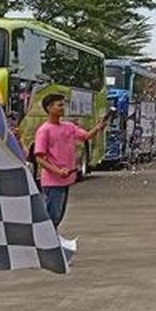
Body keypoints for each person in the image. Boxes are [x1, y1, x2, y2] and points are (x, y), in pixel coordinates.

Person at [33, 94, 112, 228]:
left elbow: (86, 136)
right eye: (59, 105)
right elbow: (39, 158)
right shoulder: (44, 130)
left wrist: (98, 128)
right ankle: (48, 243)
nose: (62, 108)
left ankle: (53, 241)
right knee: (52, 217)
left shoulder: (68, 126)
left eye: (63, 105)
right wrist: (57, 171)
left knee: (59, 216)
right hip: (52, 182)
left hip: (66, 179)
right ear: (49, 108)